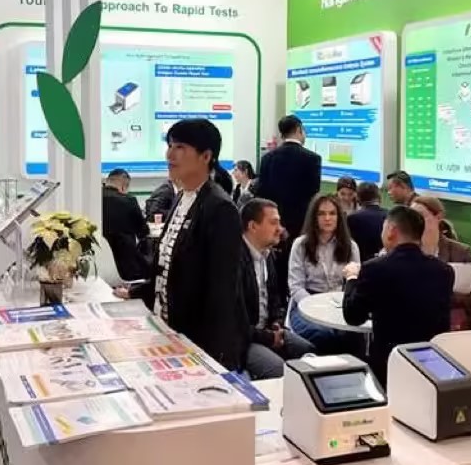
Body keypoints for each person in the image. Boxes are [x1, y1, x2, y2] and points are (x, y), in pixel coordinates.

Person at [148, 119, 251, 373]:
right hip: (168, 330)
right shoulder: (181, 197)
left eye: (180, 147)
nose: (170, 155)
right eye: (170, 146)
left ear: (206, 156)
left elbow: (222, 291)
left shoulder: (220, 208)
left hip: (199, 346)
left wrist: (211, 357)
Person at [342, 205, 453, 384]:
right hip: (431, 364)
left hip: (388, 365)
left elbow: (353, 316)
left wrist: (352, 278)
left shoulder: (375, 269)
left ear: (391, 231)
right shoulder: (444, 271)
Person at [239, 199, 315, 379]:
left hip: (267, 331)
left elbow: (275, 299)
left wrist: (276, 323)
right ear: (252, 226)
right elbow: (235, 322)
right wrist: (268, 337)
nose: (280, 229)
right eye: (273, 223)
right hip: (242, 340)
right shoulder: (233, 261)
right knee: (279, 371)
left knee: (309, 351)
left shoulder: (268, 255)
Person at [287, 194, 362, 355]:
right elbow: (296, 286)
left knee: (353, 335)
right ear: (314, 217)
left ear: (339, 217)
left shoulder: (351, 246)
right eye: (321, 214)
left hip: (337, 303)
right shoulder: (300, 245)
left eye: (332, 213)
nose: (327, 218)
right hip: (306, 303)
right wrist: (316, 307)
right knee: (322, 334)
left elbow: (356, 284)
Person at [413, 194, 471, 330]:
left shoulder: (461, 253)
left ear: (438, 217)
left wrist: (447, 297)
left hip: (454, 326)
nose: (415, 222)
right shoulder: (407, 252)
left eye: (420, 216)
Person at [253, 115, 323, 239]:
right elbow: (313, 194)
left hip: (272, 224)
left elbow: (261, 193)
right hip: (301, 226)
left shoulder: (267, 158)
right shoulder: (312, 159)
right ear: (299, 129)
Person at [101, 169, 151, 283]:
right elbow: (143, 232)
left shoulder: (94, 199)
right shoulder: (129, 200)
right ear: (124, 187)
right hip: (126, 265)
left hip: (100, 262)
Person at [347, 182, 389, 259]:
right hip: (385, 262)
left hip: (360, 263)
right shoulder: (391, 216)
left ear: (358, 199)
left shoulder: (352, 218)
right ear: (379, 197)